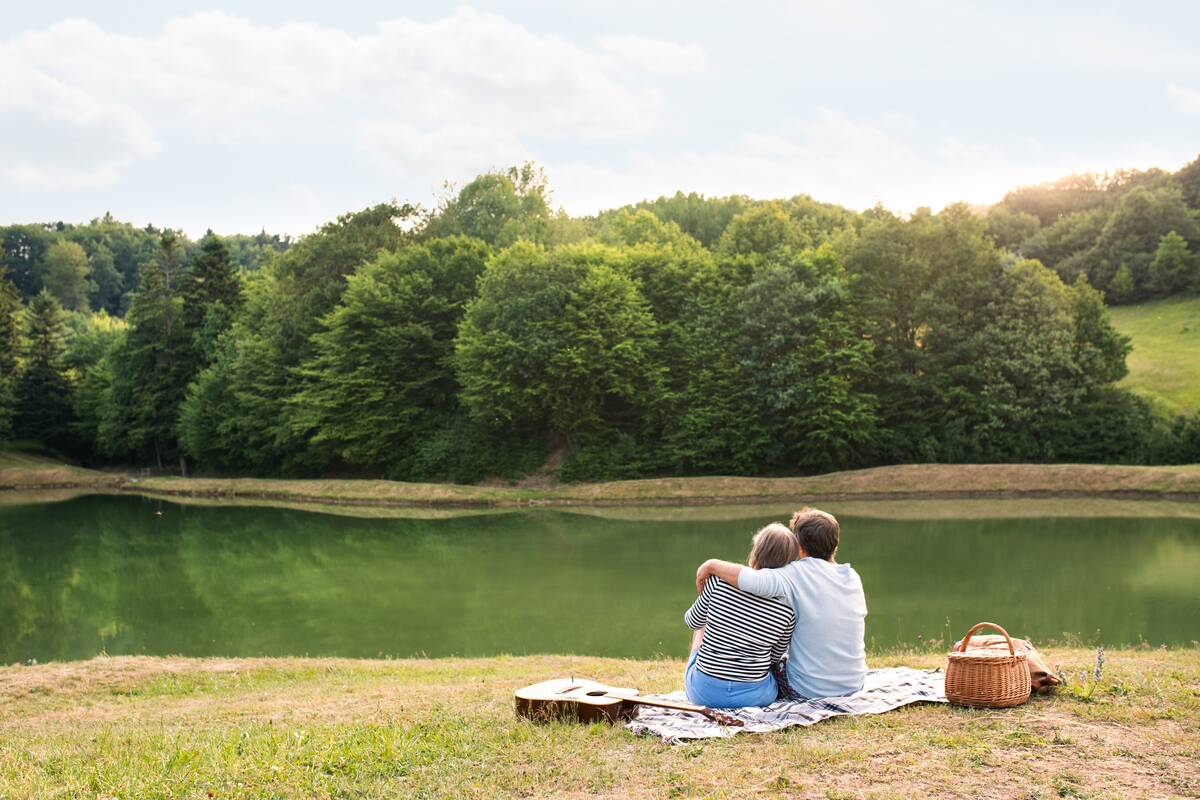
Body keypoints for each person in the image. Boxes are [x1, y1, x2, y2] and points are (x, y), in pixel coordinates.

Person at [694, 507, 867, 699]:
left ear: (799, 546)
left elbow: (750, 579)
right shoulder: (852, 576)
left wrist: (711, 565)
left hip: (809, 690)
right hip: (854, 683)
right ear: (835, 543)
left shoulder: (793, 574)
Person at [683, 523, 797, 708]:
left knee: (703, 623)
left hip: (704, 694)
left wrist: (709, 601)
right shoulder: (788, 609)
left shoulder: (717, 583)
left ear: (756, 552)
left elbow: (692, 621)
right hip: (754, 697)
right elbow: (775, 657)